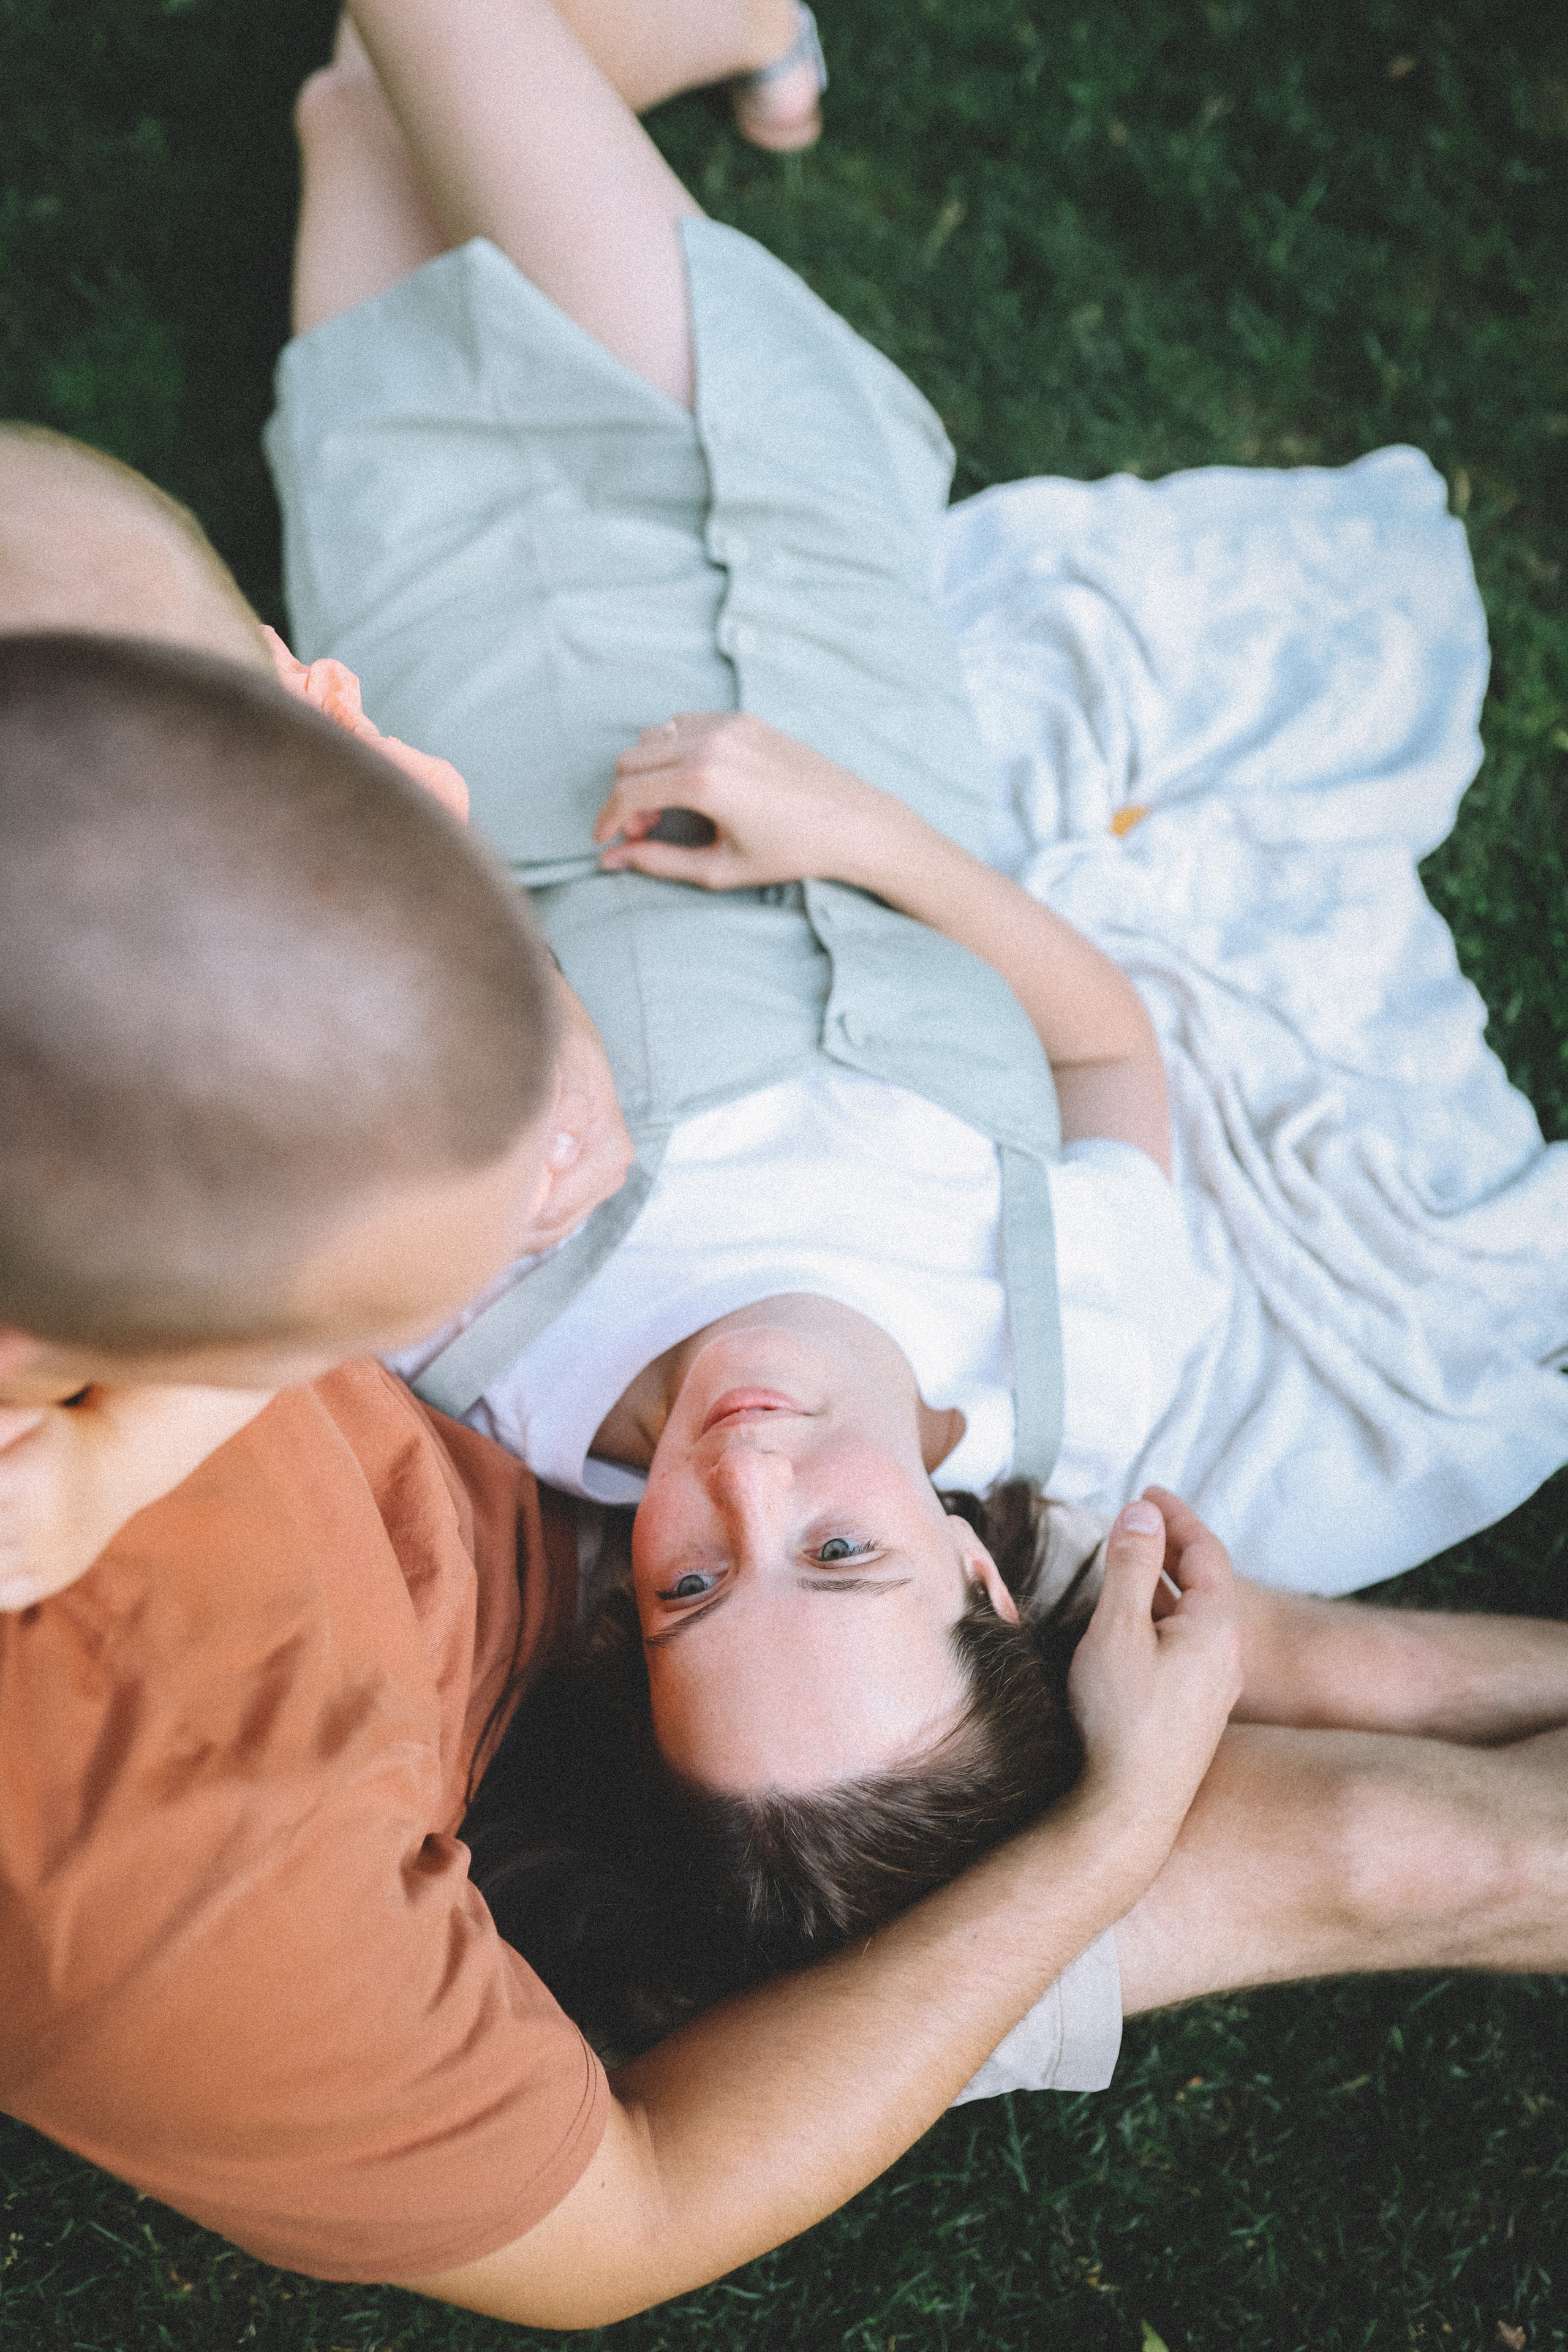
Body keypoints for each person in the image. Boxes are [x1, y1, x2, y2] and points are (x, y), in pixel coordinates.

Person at [4, 12, 1568, 2339]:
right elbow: (621, 2224)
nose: (725, 1495)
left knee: (1184, 1679)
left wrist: (409, 1094)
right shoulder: (160, 1871)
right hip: (672, 1755)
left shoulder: (398, 1334)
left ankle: (1407, 1742)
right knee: (1288, 1780)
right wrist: (1114, 1833)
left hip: (591, 1533)